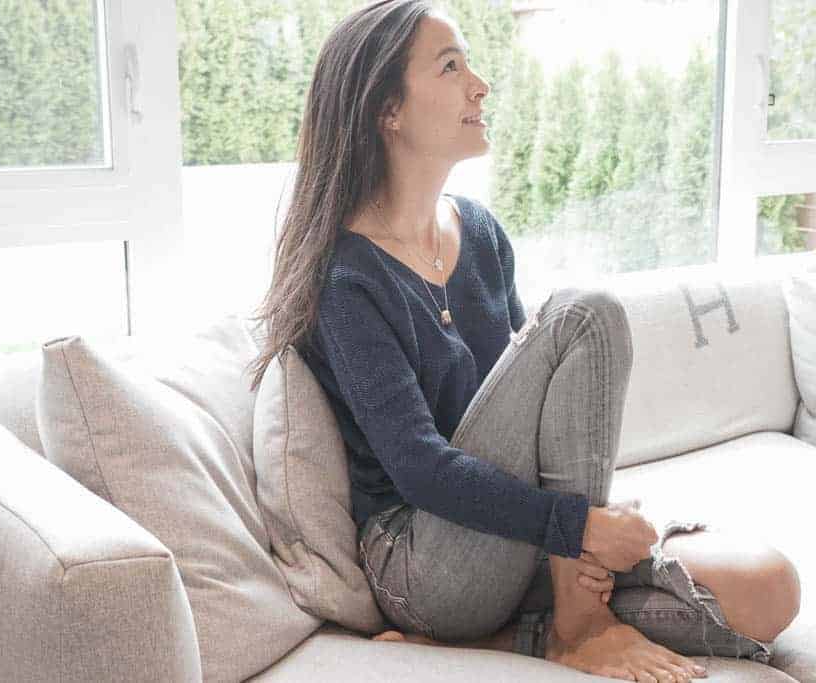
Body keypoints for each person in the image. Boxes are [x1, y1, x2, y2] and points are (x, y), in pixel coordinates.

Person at [244, 1, 800, 680]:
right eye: (452, 67)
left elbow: (532, 423)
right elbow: (419, 466)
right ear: (388, 108)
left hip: (522, 538)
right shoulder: (347, 278)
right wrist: (582, 526)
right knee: (586, 314)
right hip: (428, 558)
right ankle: (582, 621)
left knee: (769, 585)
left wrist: (587, 525)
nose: (480, 84)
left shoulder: (478, 231)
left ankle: (524, 636)